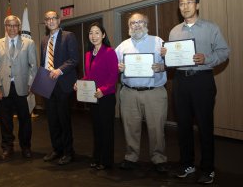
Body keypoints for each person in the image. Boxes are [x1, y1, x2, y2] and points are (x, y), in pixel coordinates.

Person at [161, 0, 230, 184]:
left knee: (205, 126)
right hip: (181, 81)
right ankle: (187, 164)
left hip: (202, 80)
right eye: (181, 3)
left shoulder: (210, 27)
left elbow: (224, 51)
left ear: (197, 5)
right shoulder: (174, 31)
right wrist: (167, 55)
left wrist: (206, 58)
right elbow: (173, 59)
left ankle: (208, 169)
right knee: (183, 126)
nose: (185, 6)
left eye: (189, 2)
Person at [115, 13, 168, 173]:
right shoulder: (122, 46)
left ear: (146, 23)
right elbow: (113, 66)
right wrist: (118, 68)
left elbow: (173, 60)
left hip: (154, 92)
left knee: (157, 128)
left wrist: (163, 66)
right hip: (129, 93)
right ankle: (131, 157)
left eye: (140, 22)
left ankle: (159, 159)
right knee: (130, 127)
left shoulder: (157, 41)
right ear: (128, 26)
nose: (136, 25)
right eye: (133, 23)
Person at [0, 15, 37, 160]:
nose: (12, 28)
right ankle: (7, 147)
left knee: (25, 120)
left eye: (15, 25)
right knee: (5, 121)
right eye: (9, 25)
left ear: (19, 27)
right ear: (5, 27)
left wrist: (31, 83)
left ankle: (26, 147)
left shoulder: (29, 43)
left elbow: (33, 66)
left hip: (23, 87)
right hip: (4, 88)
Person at [74, 22, 118, 170]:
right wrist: (79, 84)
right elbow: (88, 76)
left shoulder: (110, 52)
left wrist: (103, 90)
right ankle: (97, 157)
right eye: (91, 33)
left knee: (107, 130)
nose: (94, 36)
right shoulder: (88, 54)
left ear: (103, 35)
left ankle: (106, 161)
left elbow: (113, 76)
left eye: (97, 32)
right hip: (93, 96)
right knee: (97, 129)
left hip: (106, 97)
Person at [41, 10, 79, 165]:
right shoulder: (44, 40)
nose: (51, 21)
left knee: (64, 120)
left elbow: (74, 59)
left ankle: (69, 152)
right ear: (45, 22)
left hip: (63, 84)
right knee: (52, 120)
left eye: (53, 18)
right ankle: (57, 149)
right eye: (48, 19)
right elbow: (43, 62)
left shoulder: (68, 36)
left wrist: (60, 70)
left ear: (59, 20)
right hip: (47, 84)